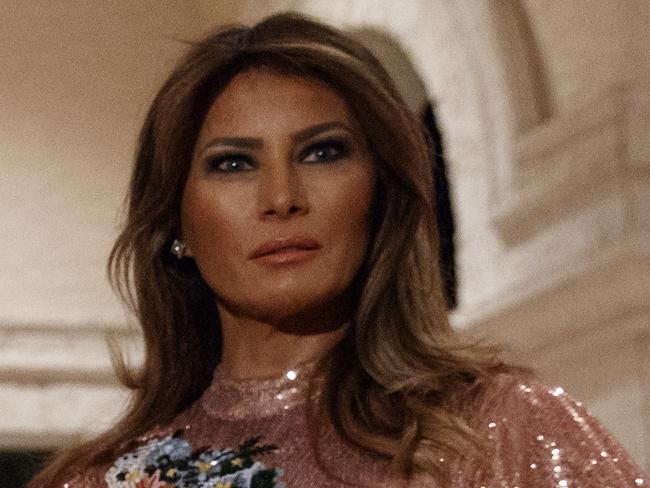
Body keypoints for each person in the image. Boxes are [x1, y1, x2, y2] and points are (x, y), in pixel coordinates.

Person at [29, 12, 645, 488]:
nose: (282, 197)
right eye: (234, 163)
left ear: (379, 195)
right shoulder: (95, 479)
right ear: (175, 220)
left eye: (322, 153)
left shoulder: (500, 426)